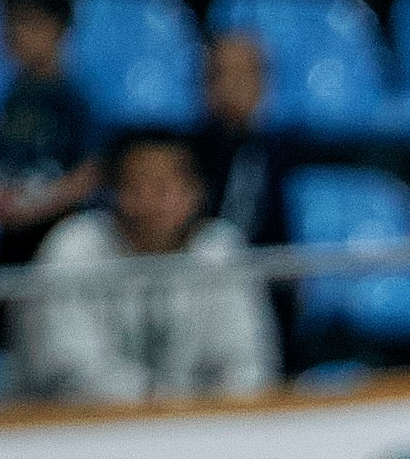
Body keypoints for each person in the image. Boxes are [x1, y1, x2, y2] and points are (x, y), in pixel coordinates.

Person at [14, 128, 280, 408]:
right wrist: (166, 405)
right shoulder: (75, 246)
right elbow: (70, 368)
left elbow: (247, 361)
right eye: (138, 184)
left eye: (169, 184)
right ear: (113, 192)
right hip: (75, 432)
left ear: (197, 192)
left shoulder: (218, 249)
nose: (154, 199)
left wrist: (216, 420)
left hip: (199, 431)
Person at [0, 0, 99, 263]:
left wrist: (38, 207)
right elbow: (1, 165)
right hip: (10, 232)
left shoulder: (75, 100)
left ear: (57, 28)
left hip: (59, 233)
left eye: (28, 23)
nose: (14, 34)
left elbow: (90, 173)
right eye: (9, 23)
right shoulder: (10, 98)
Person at [193, 30, 297, 252]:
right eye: (222, 73)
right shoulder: (184, 152)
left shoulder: (286, 151)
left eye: (246, 73)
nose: (234, 85)